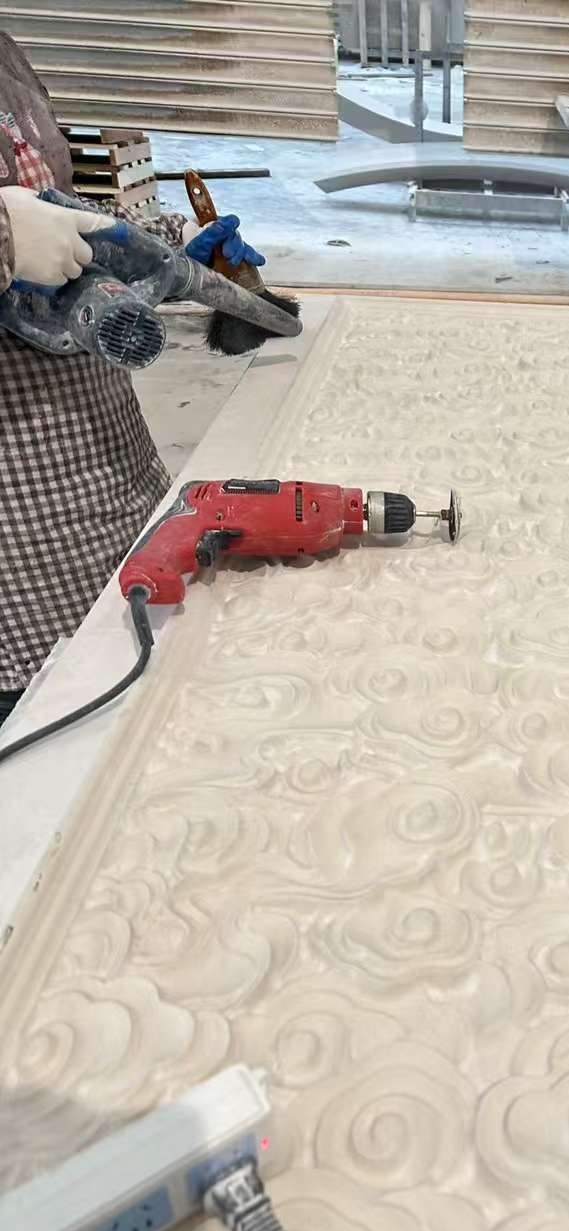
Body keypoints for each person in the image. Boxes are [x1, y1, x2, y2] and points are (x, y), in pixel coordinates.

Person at [0, 32, 264, 726]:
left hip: (107, 464)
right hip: (22, 553)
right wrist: (6, 238)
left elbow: (63, 211)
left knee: (152, 670)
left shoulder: (6, 54)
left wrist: (166, 245)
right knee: (63, 737)